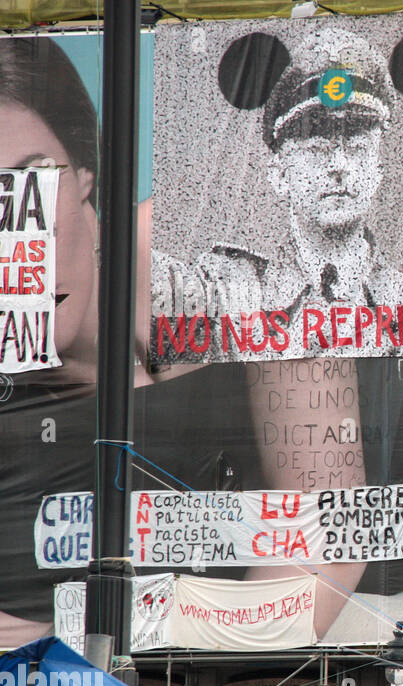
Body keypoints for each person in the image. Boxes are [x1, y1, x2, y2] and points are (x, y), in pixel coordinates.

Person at [0, 36, 365, 649]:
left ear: (87, 173)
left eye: (31, 181)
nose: (19, 233)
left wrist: (87, 648)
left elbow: (333, 537)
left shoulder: (227, 268)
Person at [151, 27, 403, 356]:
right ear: (279, 174)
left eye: (357, 147)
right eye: (316, 148)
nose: (339, 165)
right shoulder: (228, 296)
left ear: (377, 170)